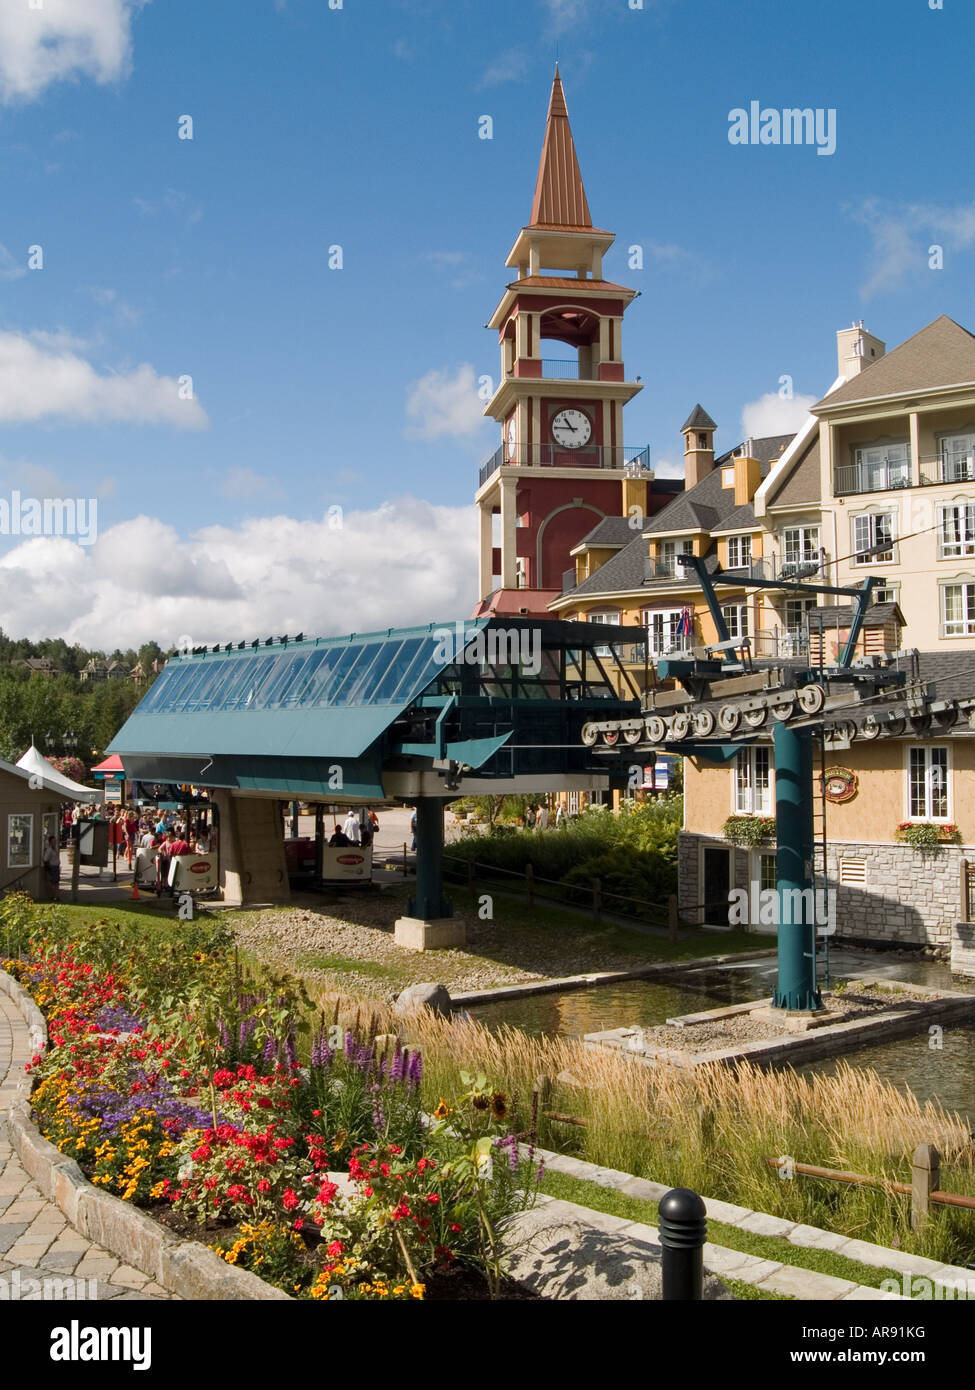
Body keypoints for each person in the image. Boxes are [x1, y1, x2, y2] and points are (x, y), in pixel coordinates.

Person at [42, 835, 60, 900]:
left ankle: (56, 896)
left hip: (56, 867)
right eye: (53, 841)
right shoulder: (49, 850)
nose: (54, 843)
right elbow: (45, 859)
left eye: (55, 841)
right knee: (53, 882)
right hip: (52, 867)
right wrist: (48, 868)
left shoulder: (55, 849)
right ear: (50, 842)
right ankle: (54, 896)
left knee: (56, 882)